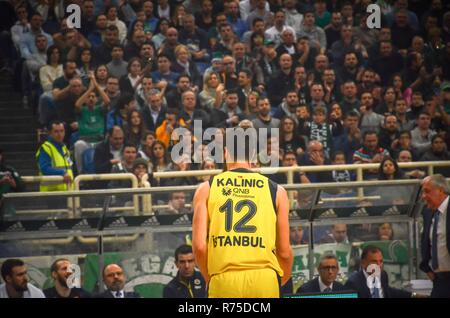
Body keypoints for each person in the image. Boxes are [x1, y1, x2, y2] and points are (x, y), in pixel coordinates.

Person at [192, 128, 293, 298]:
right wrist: (280, 280)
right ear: (253, 155)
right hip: (265, 279)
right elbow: (284, 251)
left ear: (225, 153)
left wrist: (210, 278)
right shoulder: (278, 191)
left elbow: (200, 248)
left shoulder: (206, 189)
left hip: (224, 279)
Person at [420, 174, 450, 298]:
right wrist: (427, 268)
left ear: (440, 190)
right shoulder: (427, 212)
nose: (423, 196)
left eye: (427, 191)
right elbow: (426, 243)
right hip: (439, 280)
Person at [344, 245, 413, 298]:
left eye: (381, 261)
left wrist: (413, 295)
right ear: (363, 263)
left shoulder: (383, 275)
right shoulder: (353, 283)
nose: (379, 265)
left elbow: (388, 291)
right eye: (374, 262)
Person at [36, 121, 73, 192]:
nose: (60, 134)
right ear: (50, 133)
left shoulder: (64, 148)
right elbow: (45, 169)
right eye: (56, 131)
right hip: (51, 194)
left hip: (68, 191)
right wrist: (62, 173)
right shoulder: (46, 148)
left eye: (62, 131)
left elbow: (70, 168)